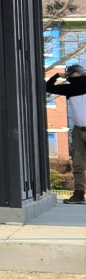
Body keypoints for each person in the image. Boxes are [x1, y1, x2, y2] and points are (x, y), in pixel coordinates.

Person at [46, 64, 86, 203]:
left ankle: (79, 193)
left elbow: (49, 86)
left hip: (79, 128)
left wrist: (59, 76)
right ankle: (79, 193)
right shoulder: (70, 88)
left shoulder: (73, 87)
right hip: (78, 129)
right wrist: (58, 76)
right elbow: (48, 88)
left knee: (79, 163)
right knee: (78, 163)